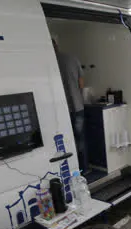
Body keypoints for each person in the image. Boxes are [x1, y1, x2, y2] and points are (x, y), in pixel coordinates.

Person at [53, 39, 89, 173]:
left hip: (59, 111)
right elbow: (81, 82)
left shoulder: (48, 62)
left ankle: (72, 169)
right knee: (80, 139)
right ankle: (84, 168)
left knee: (66, 141)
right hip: (77, 107)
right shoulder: (72, 58)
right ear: (57, 45)